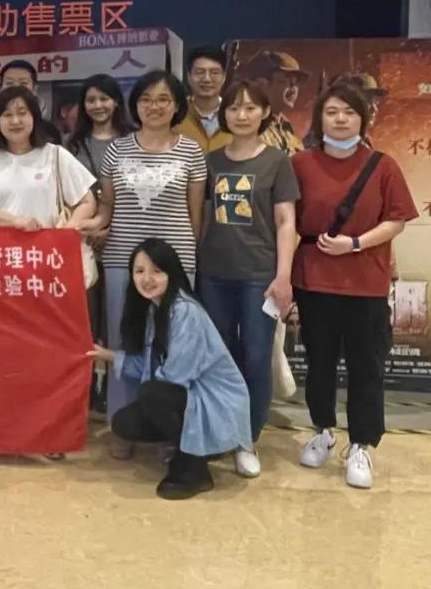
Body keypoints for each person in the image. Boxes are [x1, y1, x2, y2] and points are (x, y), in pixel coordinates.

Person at [292, 83, 416, 489]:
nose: (340, 119)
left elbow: (396, 219)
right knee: (319, 362)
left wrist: (356, 243)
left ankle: (361, 444)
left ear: (362, 119)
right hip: (314, 281)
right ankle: (323, 431)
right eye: (332, 112)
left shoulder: (383, 165)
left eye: (349, 111)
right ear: (319, 119)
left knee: (366, 367)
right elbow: (287, 220)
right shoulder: (300, 164)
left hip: (365, 283)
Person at [80, 70, 207, 459]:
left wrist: (185, 260)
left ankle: (168, 429)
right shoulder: (116, 150)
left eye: (163, 99)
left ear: (177, 105)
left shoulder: (191, 152)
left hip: (174, 262)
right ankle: (123, 424)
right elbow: (107, 209)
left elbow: (195, 217)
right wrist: (80, 226)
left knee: (172, 345)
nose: (154, 107)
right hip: (123, 260)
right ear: (134, 106)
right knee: (125, 340)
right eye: (146, 99)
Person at [88, 238, 252, 500]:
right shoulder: (156, 310)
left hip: (217, 403)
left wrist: (151, 391)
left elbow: (176, 374)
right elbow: (150, 366)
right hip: (190, 397)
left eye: (156, 271)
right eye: (139, 271)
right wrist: (108, 356)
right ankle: (186, 450)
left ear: (171, 273)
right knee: (125, 422)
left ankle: (195, 468)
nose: (146, 279)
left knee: (153, 394)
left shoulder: (185, 311)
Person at [197, 80, 299, 478]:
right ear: (224, 114)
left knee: (257, 358)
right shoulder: (210, 160)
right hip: (214, 274)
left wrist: (283, 277)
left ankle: (247, 438)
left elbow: (286, 221)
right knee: (220, 358)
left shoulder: (277, 161)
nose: (242, 115)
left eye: (251, 107)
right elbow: (202, 217)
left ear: (264, 113)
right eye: (234, 108)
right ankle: (220, 432)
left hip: (260, 276)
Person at [64, 73, 134, 416]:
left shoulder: (133, 141)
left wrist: (109, 227)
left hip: (124, 242)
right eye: (90, 100)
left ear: (116, 102)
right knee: (86, 319)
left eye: (104, 98)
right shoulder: (71, 145)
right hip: (83, 244)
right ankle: (88, 384)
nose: (98, 106)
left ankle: (117, 388)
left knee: (119, 320)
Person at [0, 86, 96, 231]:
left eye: (22, 113)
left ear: (34, 117)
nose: (15, 121)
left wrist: (68, 229)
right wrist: (14, 221)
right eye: (7, 115)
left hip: (45, 244)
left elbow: (87, 202)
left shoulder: (55, 155)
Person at [0, 60, 61, 158]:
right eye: (9, 83)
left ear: (35, 89)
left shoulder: (49, 130)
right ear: (1, 88)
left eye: (23, 83)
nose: (16, 88)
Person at [240, 50, 309, 156]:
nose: (293, 88)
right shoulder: (244, 126)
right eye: (285, 81)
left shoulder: (286, 129)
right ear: (261, 85)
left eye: (295, 82)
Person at [176, 45, 233, 153]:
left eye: (214, 72)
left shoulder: (236, 114)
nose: (207, 79)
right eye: (199, 72)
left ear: (224, 77)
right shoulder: (175, 113)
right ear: (189, 77)